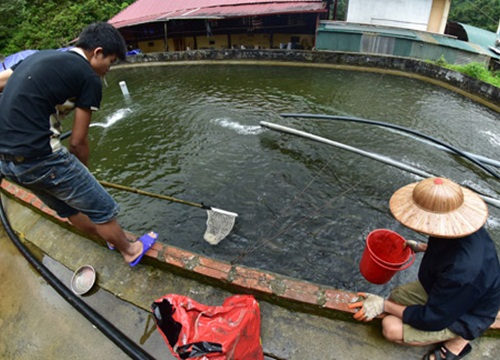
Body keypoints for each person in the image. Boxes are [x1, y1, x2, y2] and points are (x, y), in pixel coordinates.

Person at [0, 22, 156, 266]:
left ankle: (110, 239)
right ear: (97, 52)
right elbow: (78, 142)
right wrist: (83, 174)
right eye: (111, 61)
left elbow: (2, 82)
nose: (108, 70)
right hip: (41, 158)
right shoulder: (88, 77)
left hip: (8, 163)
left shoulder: (39, 57)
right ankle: (130, 249)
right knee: (103, 208)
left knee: (69, 210)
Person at [348, 177, 500, 360]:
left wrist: (382, 304)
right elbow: (451, 250)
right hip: (452, 289)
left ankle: (460, 339)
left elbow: (433, 318)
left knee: (390, 326)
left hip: (468, 311)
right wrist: (420, 247)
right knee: (397, 296)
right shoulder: (459, 227)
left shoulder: (462, 272)